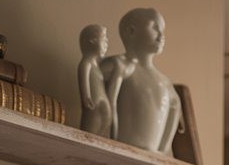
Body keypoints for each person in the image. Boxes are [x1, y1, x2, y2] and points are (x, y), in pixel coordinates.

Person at [101, 8, 181, 153]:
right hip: (120, 149)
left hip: (153, 156)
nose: (161, 35)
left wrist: (162, 151)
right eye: (155, 27)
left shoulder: (165, 82)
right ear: (131, 31)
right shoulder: (119, 66)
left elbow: (174, 113)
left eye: (162, 30)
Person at [77, 24, 112, 137]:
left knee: (102, 128)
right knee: (91, 125)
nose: (107, 44)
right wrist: (86, 97)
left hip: (103, 103)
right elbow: (83, 80)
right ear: (92, 41)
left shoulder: (96, 66)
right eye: (104, 40)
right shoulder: (86, 63)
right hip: (93, 103)